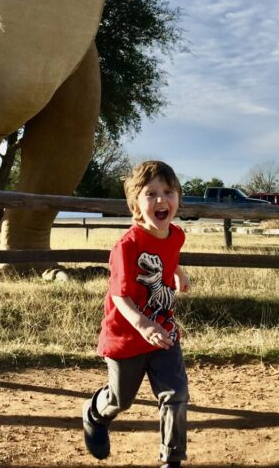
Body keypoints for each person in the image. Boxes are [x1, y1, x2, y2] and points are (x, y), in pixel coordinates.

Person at [82, 160, 191, 468]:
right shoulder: (127, 246)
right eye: (151, 193)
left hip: (163, 332)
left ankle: (172, 460)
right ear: (135, 203)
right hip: (126, 336)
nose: (161, 200)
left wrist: (178, 271)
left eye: (168, 192)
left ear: (178, 198)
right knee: (120, 399)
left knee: (176, 394)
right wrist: (143, 325)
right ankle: (94, 414)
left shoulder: (176, 235)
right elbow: (120, 294)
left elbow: (166, 256)